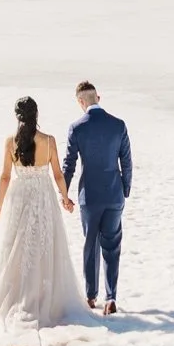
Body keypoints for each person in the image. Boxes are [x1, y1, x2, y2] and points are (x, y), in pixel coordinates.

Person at [0, 96, 91, 346]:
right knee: (43, 247)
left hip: (20, 198)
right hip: (43, 198)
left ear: (17, 117)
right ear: (37, 114)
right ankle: (42, 297)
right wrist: (65, 198)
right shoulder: (49, 141)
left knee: (16, 250)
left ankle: (18, 296)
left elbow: (5, 177)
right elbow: (58, 174)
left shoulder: (10, 142)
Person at [63, 80, 132, 313]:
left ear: (80, 102)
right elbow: (127, 161)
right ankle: (111, 297)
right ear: (98, 98)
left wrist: (64, 194)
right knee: (112, 246)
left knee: (90, 245)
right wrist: (125, 189)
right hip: (114, 195)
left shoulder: (77, 128)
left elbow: (69, 164)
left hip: (90, 197)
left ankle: (91, 296)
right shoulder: (118, 125)